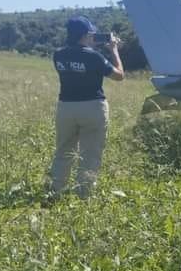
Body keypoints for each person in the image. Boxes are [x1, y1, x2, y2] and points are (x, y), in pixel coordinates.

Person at [48, 16, 124, 199]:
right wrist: (114, 51)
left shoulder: (58, 54)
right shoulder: (94, 57)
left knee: (64, 150)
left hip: (66, 107)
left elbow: (77, 59)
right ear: (86, 34)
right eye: (91, 34)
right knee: (90, 153)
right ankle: (83, 194)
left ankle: (55, 191)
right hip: (92, 107)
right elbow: (119, 76)